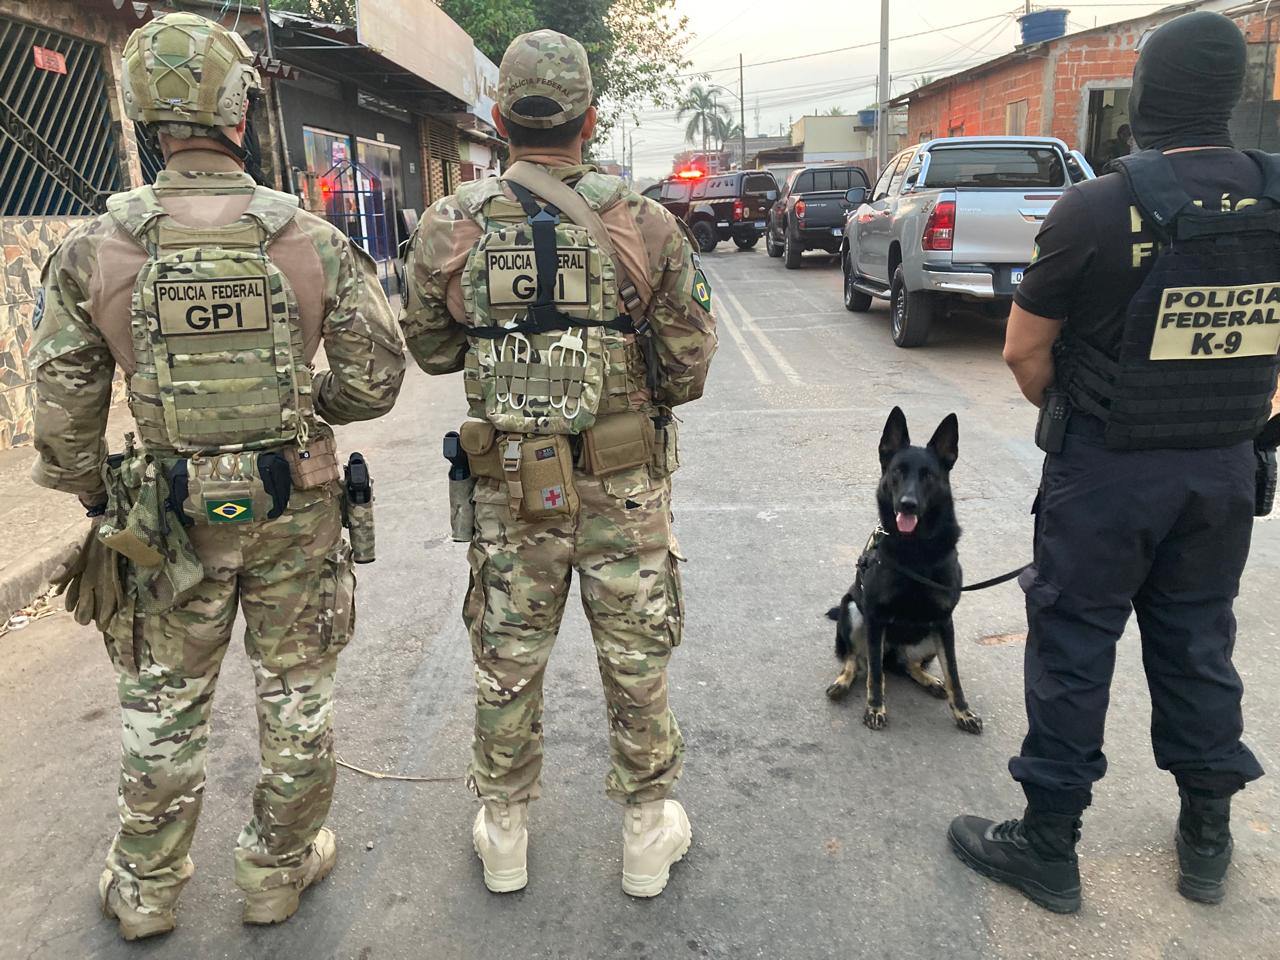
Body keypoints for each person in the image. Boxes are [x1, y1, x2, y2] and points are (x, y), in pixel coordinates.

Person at [29, 12, 405, 940]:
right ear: (239, 108)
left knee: (163, 702)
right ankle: (277, 872)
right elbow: (374, 380)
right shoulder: (309, 238)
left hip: (164, 515)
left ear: (142, 112)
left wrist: (99, 495)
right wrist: (308, 402)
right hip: (296, 508)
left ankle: (146, 890)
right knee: (297, 696)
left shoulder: (97, 248)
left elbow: (63, 413)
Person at [949, 11, 1268, 914]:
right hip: (1223, 469)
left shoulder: (1094, 207)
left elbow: (1023, 351)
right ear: (1233, 93)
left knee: (1073, 645)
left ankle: (1049, 847)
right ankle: (1206, 838)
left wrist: (1083, 416)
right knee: (1198, 641)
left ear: (1145, 96)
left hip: (1108, 471)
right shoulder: (1278, 199)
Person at [401, 30, 717, 898]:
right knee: (636, 656)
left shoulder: (450, 224)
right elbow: (688, 366)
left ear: (501, 120)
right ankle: (646, 834)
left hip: (513, 486)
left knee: (508, 655)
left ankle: (505, 833)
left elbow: (432, 349)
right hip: (624, 485)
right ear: (591, 119)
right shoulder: (646, 223)